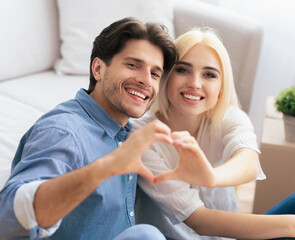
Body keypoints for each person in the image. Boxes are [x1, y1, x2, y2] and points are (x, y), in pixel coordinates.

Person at [132, 28, 295, 240]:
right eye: (182, 70)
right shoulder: (142, 135)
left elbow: (249, 162)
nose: (195, 83)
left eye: (209, 74)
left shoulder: (228, 118)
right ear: (166, 76)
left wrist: (211, 177)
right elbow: (199, 221)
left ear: (221, 87)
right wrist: (293, 225)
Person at [0, 17, 178, 240]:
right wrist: (107, 166)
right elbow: (7, 216)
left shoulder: (131, 134)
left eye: (155, 74)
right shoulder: (64, 131)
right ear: (98, 69)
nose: (146, 80)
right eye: (133, 65)